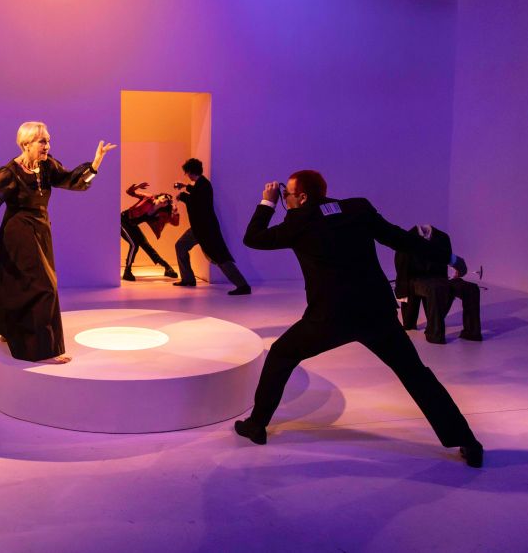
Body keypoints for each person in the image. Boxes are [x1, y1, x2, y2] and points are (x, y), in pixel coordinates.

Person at [233, 170, 484, 468]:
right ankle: (467, 441)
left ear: (303, 197)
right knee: (416, 374)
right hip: (376, 312)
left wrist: (267, 202)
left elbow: (253, 238)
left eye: (287, 193)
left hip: (329, 318)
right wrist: (450, 258)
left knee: (281, 353)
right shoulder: (357, 209)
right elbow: (403, 240)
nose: (284, 197)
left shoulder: (298, 222)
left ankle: (257, 425)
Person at [0, 122, 116, 364]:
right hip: (19, 233)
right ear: (26, 144)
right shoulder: (10, 173)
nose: (47, 146)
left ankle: (8, 329)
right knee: (43, 287)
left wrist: (95, 164)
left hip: (41, 230)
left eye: (48, 140)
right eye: (42, 141)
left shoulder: (47, 166)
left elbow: (70, 180)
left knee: (18, 283)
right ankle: (41, 350)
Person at [173, 158, 251, 295]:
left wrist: (182, 196)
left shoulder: (203, 185)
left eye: (187, 172)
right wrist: (185, 186)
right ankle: (188, 279)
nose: (187, 175)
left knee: (220, 257)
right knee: (181, 245)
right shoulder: (202, 183)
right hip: (199, 228)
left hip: (206, 230)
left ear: (190, 172)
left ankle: (243, 286)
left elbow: (196, 203)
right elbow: (196, 194)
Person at [394, 225, 483, 344]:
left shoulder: (442, 237)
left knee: (471, 289)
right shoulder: (408, 237)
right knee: (436, 288)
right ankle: (434, 334)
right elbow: (401, 266)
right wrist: (402, 291)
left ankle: (472, 332)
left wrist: (455, 272)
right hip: (416, 279)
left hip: (438, 278)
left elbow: (445, 259)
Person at [120, 182, 180, 281]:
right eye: (165, 196)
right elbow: (129, 192)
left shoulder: (159, 214)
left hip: (132, 225)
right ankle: (127, 271)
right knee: (134, 245)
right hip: (122, 220)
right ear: (160, 196)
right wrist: (137, 187)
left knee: (146, 246)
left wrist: (175, 210)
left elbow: (175, 223)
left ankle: (167, 267)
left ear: (166, 205)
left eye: (168, 201)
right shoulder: (148, 198)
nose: (166, 199)